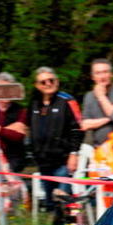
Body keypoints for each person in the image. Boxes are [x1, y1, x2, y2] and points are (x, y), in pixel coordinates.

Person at [26, 67, 83, 207]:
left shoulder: (67, 101)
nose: (48, 84)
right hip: (43, 161)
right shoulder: (33, 104)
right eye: (43, 82)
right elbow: (28, 127)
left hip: (63, 160)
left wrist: (74, 153)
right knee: (50, 201)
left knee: (62, 197)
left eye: (51, 80)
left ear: (56, 81)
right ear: (37, 85)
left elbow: (78, 128)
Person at [79, 59, 113, 148]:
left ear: (112, 74)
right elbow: (85, 124)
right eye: (98, 73)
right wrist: (109, 117)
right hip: (99, 148)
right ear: (93, 77)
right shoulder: (89, 96)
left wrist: (101, 96)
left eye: (105, 72)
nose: (102, 76)